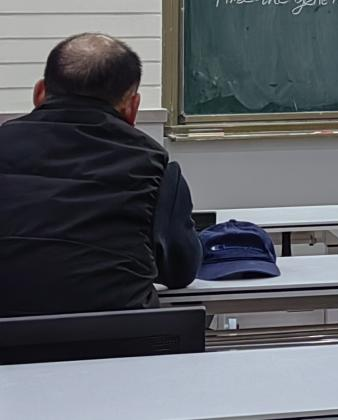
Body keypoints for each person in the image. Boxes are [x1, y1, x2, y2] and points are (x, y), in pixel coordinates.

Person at [0, 33, 202, 316]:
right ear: (132, 108)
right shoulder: (155, 166)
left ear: (39, 93)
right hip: (119, 335)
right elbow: (180, 270)